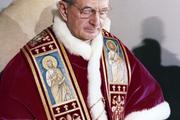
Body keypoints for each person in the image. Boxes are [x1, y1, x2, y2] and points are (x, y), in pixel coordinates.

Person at [0, 0, 170, 120]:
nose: (96, 22)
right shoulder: (31, 61)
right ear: (64, 10)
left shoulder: (114, 48)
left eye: (103, 12)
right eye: (86, 11)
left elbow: (148, 98)